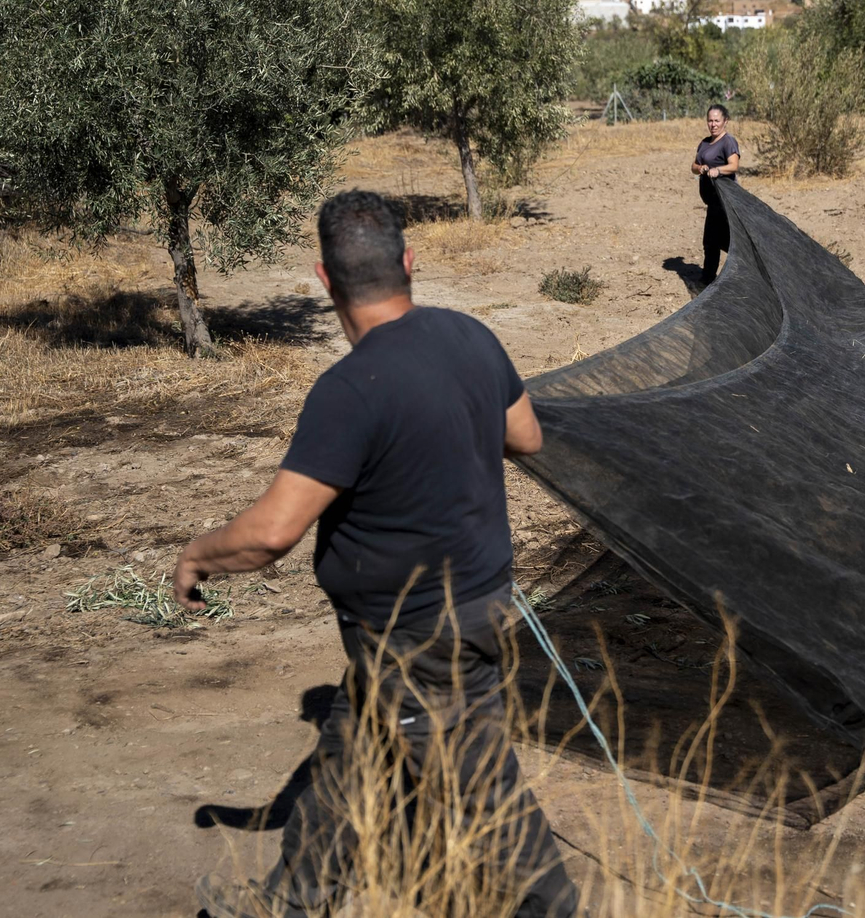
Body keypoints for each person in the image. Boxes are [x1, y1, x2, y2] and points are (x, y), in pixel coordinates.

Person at [173, 191, 577, 918]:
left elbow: (271, 533)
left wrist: (196, 556)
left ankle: (554, 909)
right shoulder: (471, 336)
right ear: (410, 265)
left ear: (324, 282)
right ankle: (294, 902)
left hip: (422, 635)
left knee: (481, 790)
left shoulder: (349, 390)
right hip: (459, 613)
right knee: (351, 757)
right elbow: (527, 437)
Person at [690, 103, 740, 286]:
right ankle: (708, 277)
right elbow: (694, 167)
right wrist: (701, 168)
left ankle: (738, 274)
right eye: (710, 121)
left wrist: (717, 170)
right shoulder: (704, 143)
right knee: (711, 241)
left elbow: (734, 166)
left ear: (725, 121)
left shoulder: (728, 142)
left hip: (725, 201)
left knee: (725, 241)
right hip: (712, 201)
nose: (713, 124)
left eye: (717, 120)